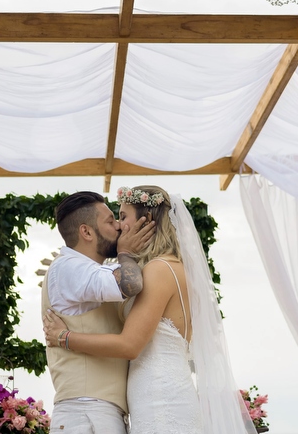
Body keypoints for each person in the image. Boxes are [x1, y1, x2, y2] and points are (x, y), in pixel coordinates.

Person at [43, 186, 256, 434]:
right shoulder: (173, 268)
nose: (120, 226)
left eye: (122, 217)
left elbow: (130, 345)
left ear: (148, 222)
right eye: (115, 219)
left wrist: (63, 337)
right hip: (158, 394)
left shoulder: (158, 270)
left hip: (159, 398)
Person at [40, 190, 157, 434]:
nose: (118, 227)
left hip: (94, 411)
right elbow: (130, 284)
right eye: (110, 221)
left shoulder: (90, 270)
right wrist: (125, 252)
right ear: (86, 232)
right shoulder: (69, 267)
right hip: (85, 412)